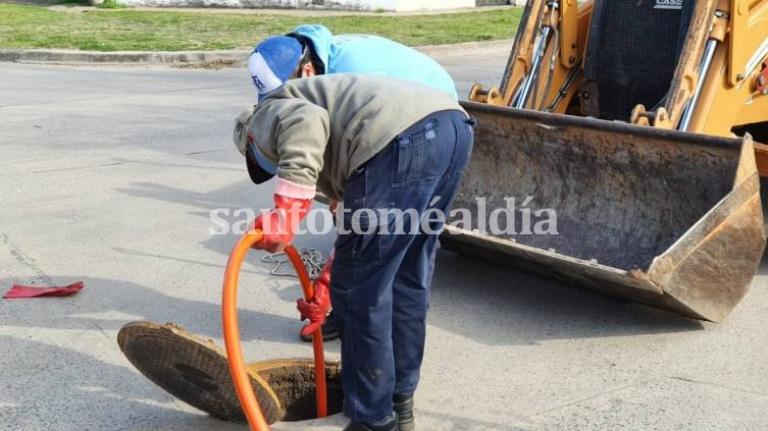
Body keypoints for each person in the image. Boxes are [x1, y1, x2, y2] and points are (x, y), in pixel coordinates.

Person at [233, 74, 474, 431]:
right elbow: (360, 243)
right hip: (453, 129)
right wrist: (327, 284)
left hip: (401, 138)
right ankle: (399, 401)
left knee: (361, 292)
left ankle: (372, 419)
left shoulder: (265, 114)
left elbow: (306, 122)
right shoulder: (343, 134)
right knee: (406, 276)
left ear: (251, 140)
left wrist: (286, 213)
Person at [247, 24, 459, 343]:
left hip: (425, 119)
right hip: (427, 126)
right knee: (368, 230)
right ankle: (362, 323)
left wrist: (324, 281)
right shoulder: (318, 72)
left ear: (307, 71)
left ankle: (363, 327)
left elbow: (364, 160)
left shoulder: (351, 72)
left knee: (383, 243)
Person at [248, 24, 458, 100]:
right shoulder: (319, 55)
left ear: (308, 71)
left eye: (286, 93)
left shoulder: (348, 75)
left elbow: (370, 135)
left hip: (436, 101)